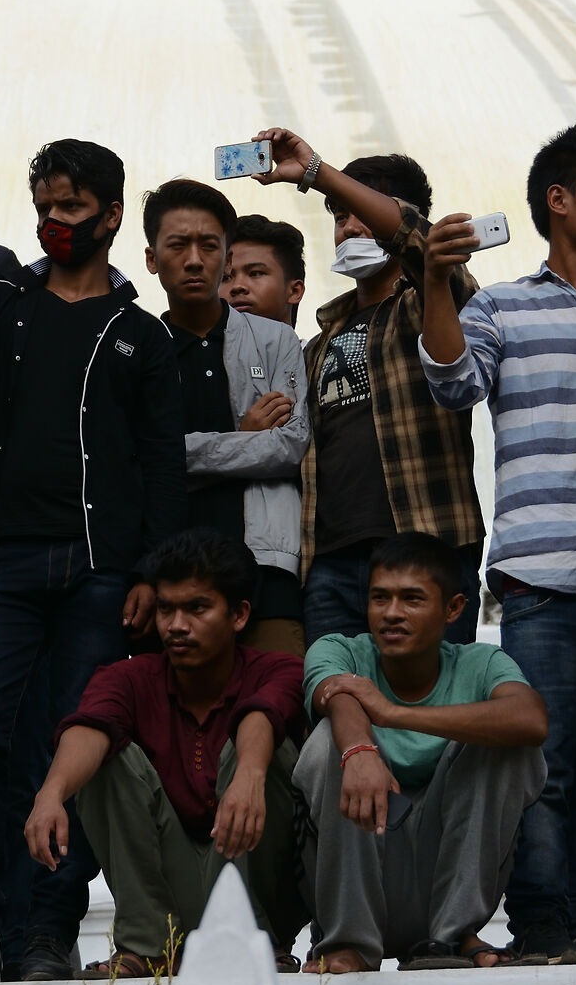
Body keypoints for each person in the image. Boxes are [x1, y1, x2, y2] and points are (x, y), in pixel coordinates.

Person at [0, 139, 186, 985]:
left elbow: (162, 463)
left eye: (71, 207)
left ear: (108, 214)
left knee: (73, 744)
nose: (55, 222)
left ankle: (47, 930)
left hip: (103, 570)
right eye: (44, 208)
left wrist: (150, 575)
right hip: (5, 561)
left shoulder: (141, 332)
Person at [419, 118, 576, 966]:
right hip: (540, 576)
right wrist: (434, 280)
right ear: (559, 202)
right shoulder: (499, 304)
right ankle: (543, 929)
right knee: (544, 769)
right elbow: (451, 383)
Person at [25, 529, 305, 975]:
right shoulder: (127, 678)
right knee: (103, 755)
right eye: (165, 609)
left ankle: (254, 944)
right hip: (166, 896)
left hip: (254, 890)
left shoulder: (281, 668)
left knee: (263, 748)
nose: (176, 625)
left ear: (238, 615)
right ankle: (147, 947)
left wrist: (250, 774)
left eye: (196, 608)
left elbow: (264, 713)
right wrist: (51, 794)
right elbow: (89, 728)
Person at [245, 131, 481, 647]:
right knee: (336, 710)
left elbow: (422, 245)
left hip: (426, 546)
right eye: (337, 215)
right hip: (329, 561)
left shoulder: (434, 297)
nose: (348, 225)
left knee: (427, 721)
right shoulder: (316, 342)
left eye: (359, 211)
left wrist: (316, 172)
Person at [294, 531, 544, 972]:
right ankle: (350, 941)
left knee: (508, 746)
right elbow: (335, 694)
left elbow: (531, 720)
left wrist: (392, 714)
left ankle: (449, 937)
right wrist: (359, 750)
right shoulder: (339, 650)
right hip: (363, 869)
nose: (392, 613)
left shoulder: (480, 663)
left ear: (454, 608)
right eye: (380, 598)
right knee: (328, 743)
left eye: (412, 599)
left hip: (441, 877)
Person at [142, 179, 310, 657]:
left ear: (226, 256)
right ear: (152, 259)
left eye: (209, 245)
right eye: (178, 245)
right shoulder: (134, 347)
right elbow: (132, 459)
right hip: (167, 570)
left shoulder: (275, 339)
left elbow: (289, 446)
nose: (195, 259)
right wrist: (242, 437)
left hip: (266, 566)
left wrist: (174, 453)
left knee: (276, 713)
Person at [224, 214, 308, 330]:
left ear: (294, 291)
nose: (237, 286)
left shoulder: (336, 347)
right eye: (226, 278)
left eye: (255, 273)